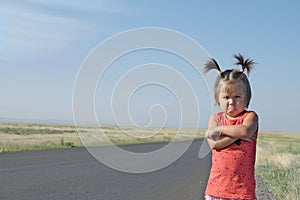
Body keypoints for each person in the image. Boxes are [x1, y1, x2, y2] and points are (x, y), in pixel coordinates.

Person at [203, 54, 259, 200]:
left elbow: (245, 130)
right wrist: (238, 134)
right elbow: (214, 144)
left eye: (237, 97)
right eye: (226, 97)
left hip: (242, 191)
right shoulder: (215, 118)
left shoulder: (250, 117)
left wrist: (218, 130)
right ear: (217, 99)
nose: (231, 102)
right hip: (216, 189)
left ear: (247, 98)